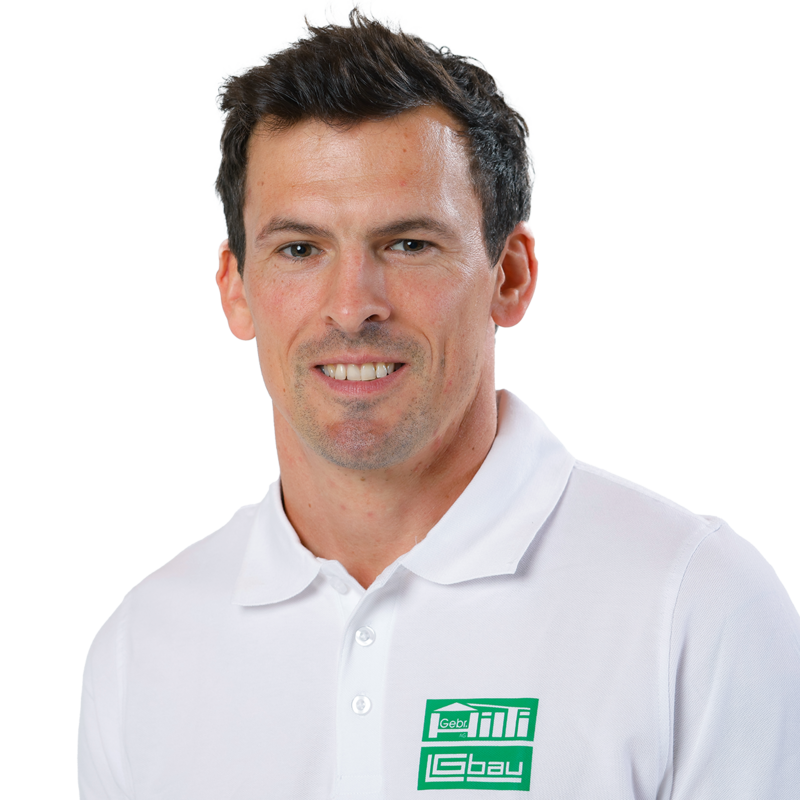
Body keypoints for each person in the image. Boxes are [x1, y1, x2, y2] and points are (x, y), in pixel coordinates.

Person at [76, 3, 799, 798]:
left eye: (408, 244)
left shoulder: (694, 604)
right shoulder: (143, 647)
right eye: (300, 249)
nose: (352, 307)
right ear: (235, 288)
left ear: (511, 275)